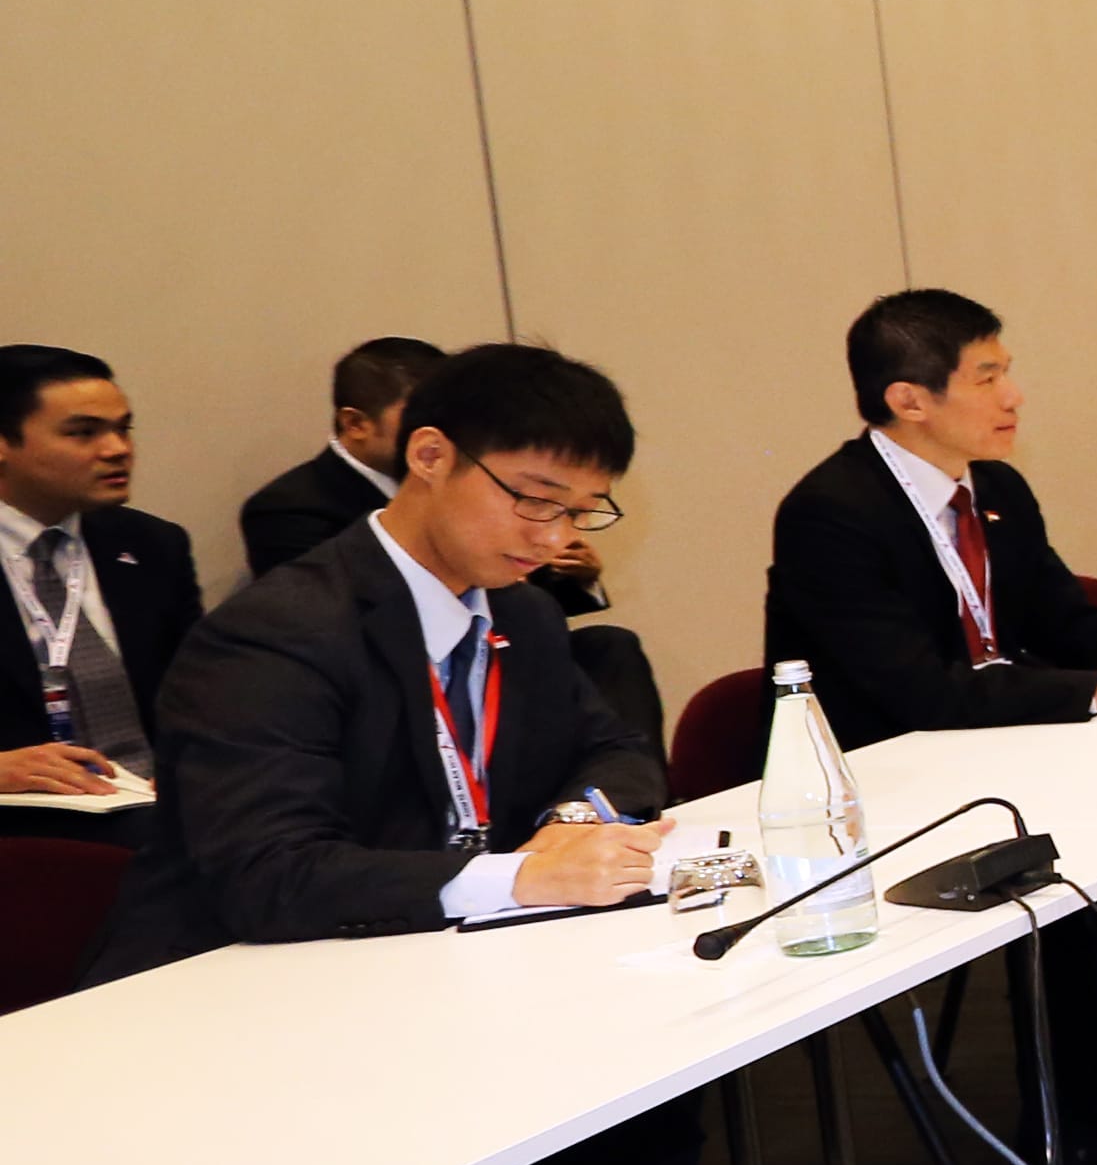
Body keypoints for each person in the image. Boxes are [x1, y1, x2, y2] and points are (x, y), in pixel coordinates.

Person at [93, 343, 670, 969]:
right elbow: (271, 873)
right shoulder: (275, 634)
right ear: (430, 456)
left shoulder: (521, 613)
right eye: (535, 500)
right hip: (230, 985)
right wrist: (519, 878)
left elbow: (618, 750)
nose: (557, 537)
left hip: (432, 961)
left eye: (581, 513)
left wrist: (573, 821)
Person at [767, 288, 1097, 746]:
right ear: (909, 401)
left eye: (1006, 374)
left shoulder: (998, 487)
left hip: (1004, 736)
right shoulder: (830, 514)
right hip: (888, 769)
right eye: (987, 379)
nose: (1013, 396)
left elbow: (1064, 623)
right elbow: (918, 691)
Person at [0, 346, 201, 805]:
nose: (118, 450)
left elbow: (202, 693)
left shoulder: (153, 546)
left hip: (156, 807)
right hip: (23, 823)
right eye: (83, 433)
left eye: (122, 429)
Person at [235, 334, 454, 577]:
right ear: (356, 424)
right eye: (420, 417)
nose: (441, 431)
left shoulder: (459, 480)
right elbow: (330, 606)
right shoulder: (286, 511)